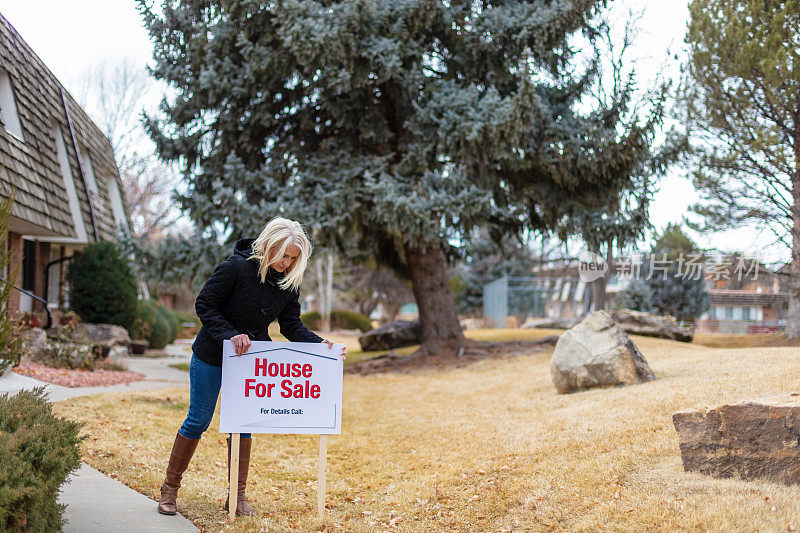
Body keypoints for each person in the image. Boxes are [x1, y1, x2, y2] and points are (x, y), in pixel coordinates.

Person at [157, 217, 346, 517]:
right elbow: (204, 305)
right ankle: (170, 489)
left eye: (293, 258)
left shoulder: (287, 285)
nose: (286, 262)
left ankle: (237, 495)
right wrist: (231, 335)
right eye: (283, 254)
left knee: (242, 426)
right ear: (269, 245)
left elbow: (292, 326)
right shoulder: (235, 267)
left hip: (251, 364)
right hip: (211, 355)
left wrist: (324, 346)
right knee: (198, 421)